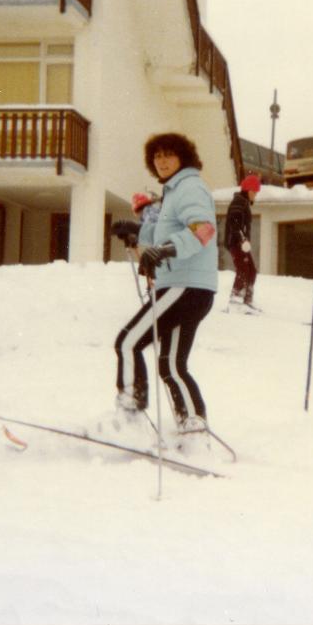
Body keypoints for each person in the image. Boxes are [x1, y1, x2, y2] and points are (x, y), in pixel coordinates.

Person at [110, 133, 217, 441]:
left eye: (169, 155)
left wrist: (166, 250)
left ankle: (129, 415)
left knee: (128, 342)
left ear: (183, 157)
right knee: (171, 364)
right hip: (190, 286)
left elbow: (203, 229)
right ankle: (193, 426)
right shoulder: (175, 191)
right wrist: (138, 230)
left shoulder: (189, 187)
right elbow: (165, 229)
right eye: (157, 157)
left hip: (184, 285)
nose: (162, 161)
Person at [225, 174, 261, 306]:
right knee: (244, 269)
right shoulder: (238, 202)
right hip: (236, 242)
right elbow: (235, 223)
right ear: (248, 190)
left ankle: (247, 299)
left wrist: (244, 240)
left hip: (240, 242)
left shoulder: (243, 202)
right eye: (254, 192)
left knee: (251, 270)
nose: (255, 195)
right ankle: (236, 298)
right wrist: (242, 239)